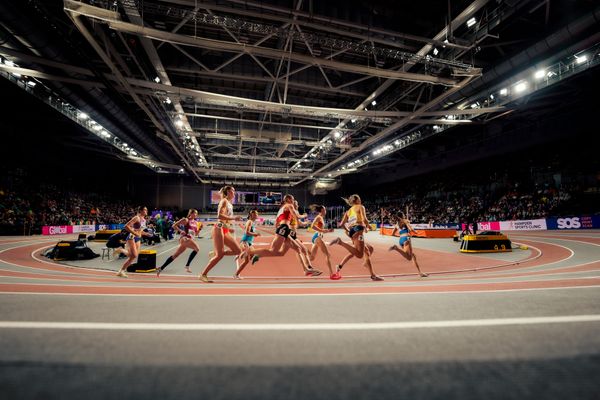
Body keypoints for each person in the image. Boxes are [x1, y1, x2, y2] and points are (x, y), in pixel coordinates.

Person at [239, 195, 319, 276]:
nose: (293, 201)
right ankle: (249, 251)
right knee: (273, 250)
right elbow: (297, 216)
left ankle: (306, 270)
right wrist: (305, 215)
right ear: (288, 199)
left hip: (285, 230)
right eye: (292, 199)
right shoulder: (289, 205)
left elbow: (277, 224)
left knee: (297, 248)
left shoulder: (281, 210)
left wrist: (282, 229)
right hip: (284, 229)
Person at [329, 194, 383, 281]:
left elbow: (341, 224)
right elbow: (364, 219)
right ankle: (340, 242)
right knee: (359, 254)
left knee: (368, 249)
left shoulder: (348, 211)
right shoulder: (360, 207)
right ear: (356, 200)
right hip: (358, 230)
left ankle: (372, 273)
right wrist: (368, 226)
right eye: (359, 198)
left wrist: (349, 231)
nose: (360, 200)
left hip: (352, 231)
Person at [199, 186, 242, 283]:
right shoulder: (224, 201)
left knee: (238, 250)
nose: (234, 193)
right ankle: (203, 274)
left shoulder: (229, 203)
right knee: (220, 256)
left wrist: (228, 227)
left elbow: (225, 219)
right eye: (232, 191)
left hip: (224, 229)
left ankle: (215, 253)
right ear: (228, 192)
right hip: (218, 228)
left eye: (234, 192)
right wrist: (234, 219)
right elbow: (219, 215)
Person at [156, 209, 201, 277]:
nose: (195, 215)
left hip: (190, 239)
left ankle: (161, 268)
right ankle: (187, 265)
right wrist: (180, 231)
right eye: (194, 213)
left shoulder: (196, 222)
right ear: (190, 214)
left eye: (196, 214)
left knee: (175, 256)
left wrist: (200, 229)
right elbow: (174, 225)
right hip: (184, 239)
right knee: (197, 248)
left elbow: (196, 234)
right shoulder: (185, 220)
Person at [116, 206, 150, 278]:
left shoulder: (144, 220)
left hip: (138, 238)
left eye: (146, 210)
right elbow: (126, 226)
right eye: (145, 210)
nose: (146, 211)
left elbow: (140, 230)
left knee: (132, 256)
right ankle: (121, 270)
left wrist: (146, 234)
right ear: (140, 211)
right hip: (132, 237)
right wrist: (135, 233)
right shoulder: (137, 218)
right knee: (134, 255)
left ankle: (121, 270)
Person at [309, 204, 340, 280]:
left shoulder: (321, 218)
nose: (326, 211)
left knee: (312, 257)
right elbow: (312, 226)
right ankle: (331, 274)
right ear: (322, 210)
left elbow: (321, 230)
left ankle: (308, 269)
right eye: (325, 209)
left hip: (317, 237)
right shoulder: (319, 217)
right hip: (317, 237)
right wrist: (322, 230)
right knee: (327, 255)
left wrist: (328, 231)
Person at [234, 209, 261, 279]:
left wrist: (241, 226)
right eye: (256, 214)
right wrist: (255, 234)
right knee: (251, 254)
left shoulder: (251, 222)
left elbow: (246, 230)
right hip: (245, 241)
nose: (257, 215)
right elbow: (247, 232)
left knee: (249, 258)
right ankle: (241, 253)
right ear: (252, 215)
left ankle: (236, 274)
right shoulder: (250, 222)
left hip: (249, 242)